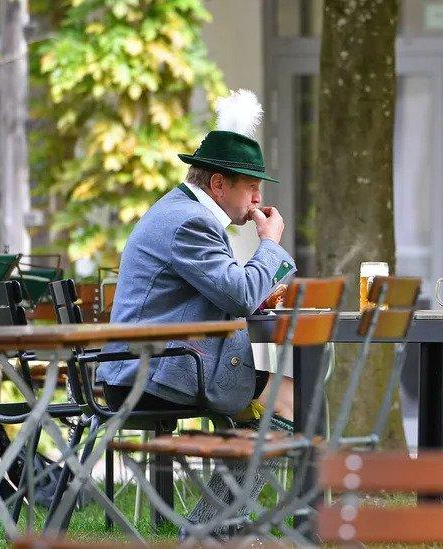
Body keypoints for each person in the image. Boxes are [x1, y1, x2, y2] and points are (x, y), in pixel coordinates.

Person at [95, 89, 296, 536]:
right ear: (219, 185)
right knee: (292, 401)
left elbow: (220, 291)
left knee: (275, 403)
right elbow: (239, 295)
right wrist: (271, 246)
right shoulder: (192, 221)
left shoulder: (183, 212)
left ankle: (223, 525)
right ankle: (211, 528)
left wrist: (254, 289)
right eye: (251, 186)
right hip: (154, 373)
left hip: (158, 364)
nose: (258, 198)